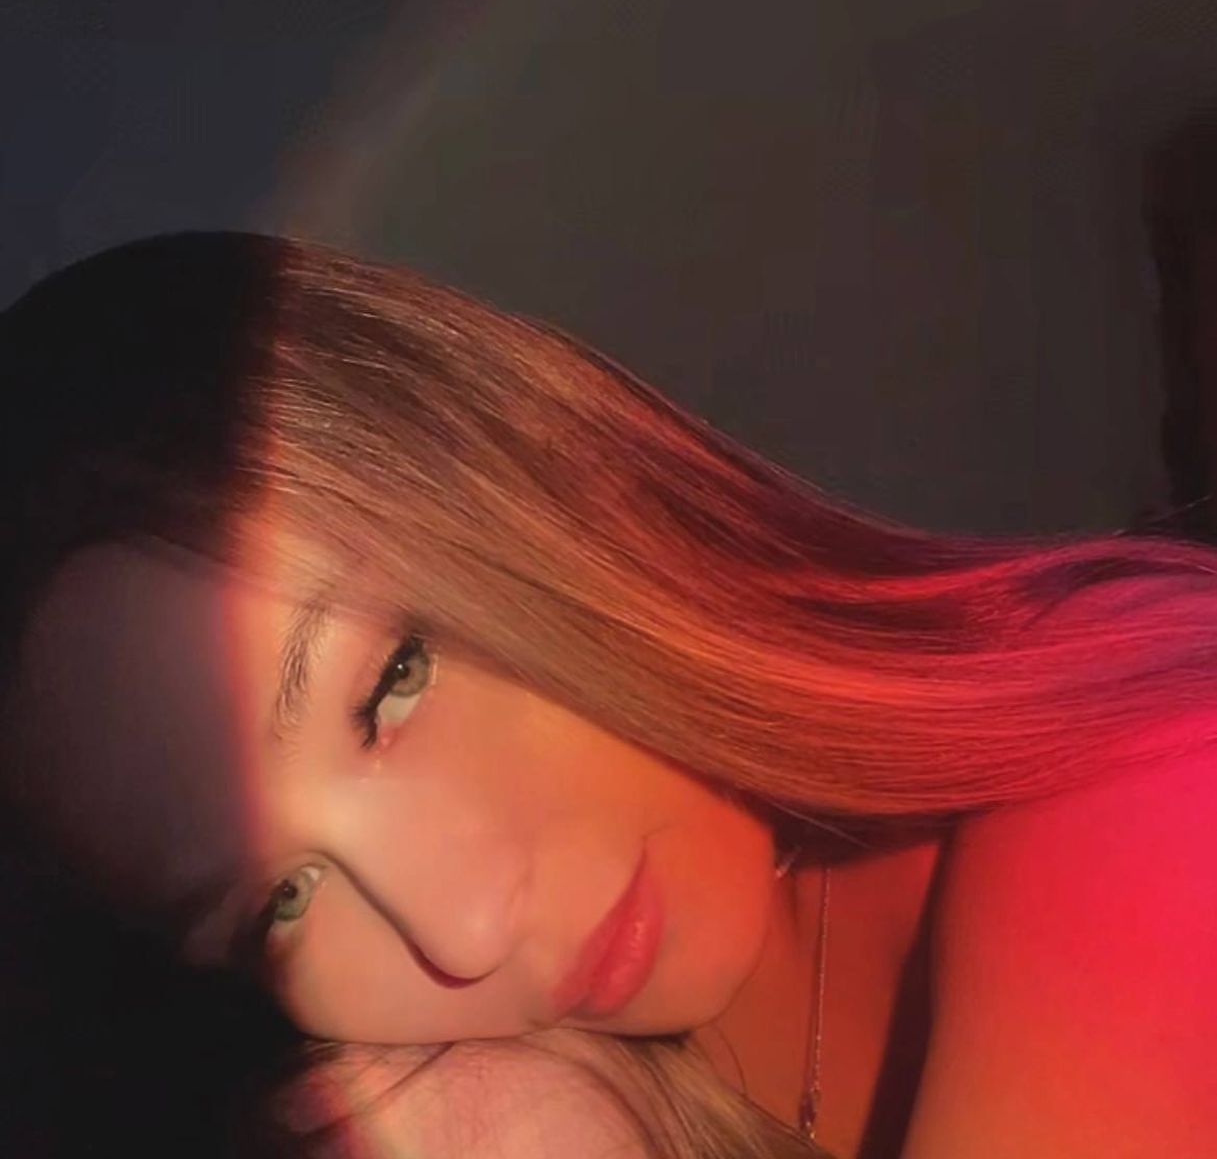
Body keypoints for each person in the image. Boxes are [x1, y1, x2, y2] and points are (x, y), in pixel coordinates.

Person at [1, 232, 1214, 1159]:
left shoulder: (1148, 780)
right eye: (281, 902)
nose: (462, 933)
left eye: (393, 683)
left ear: (547, 486)